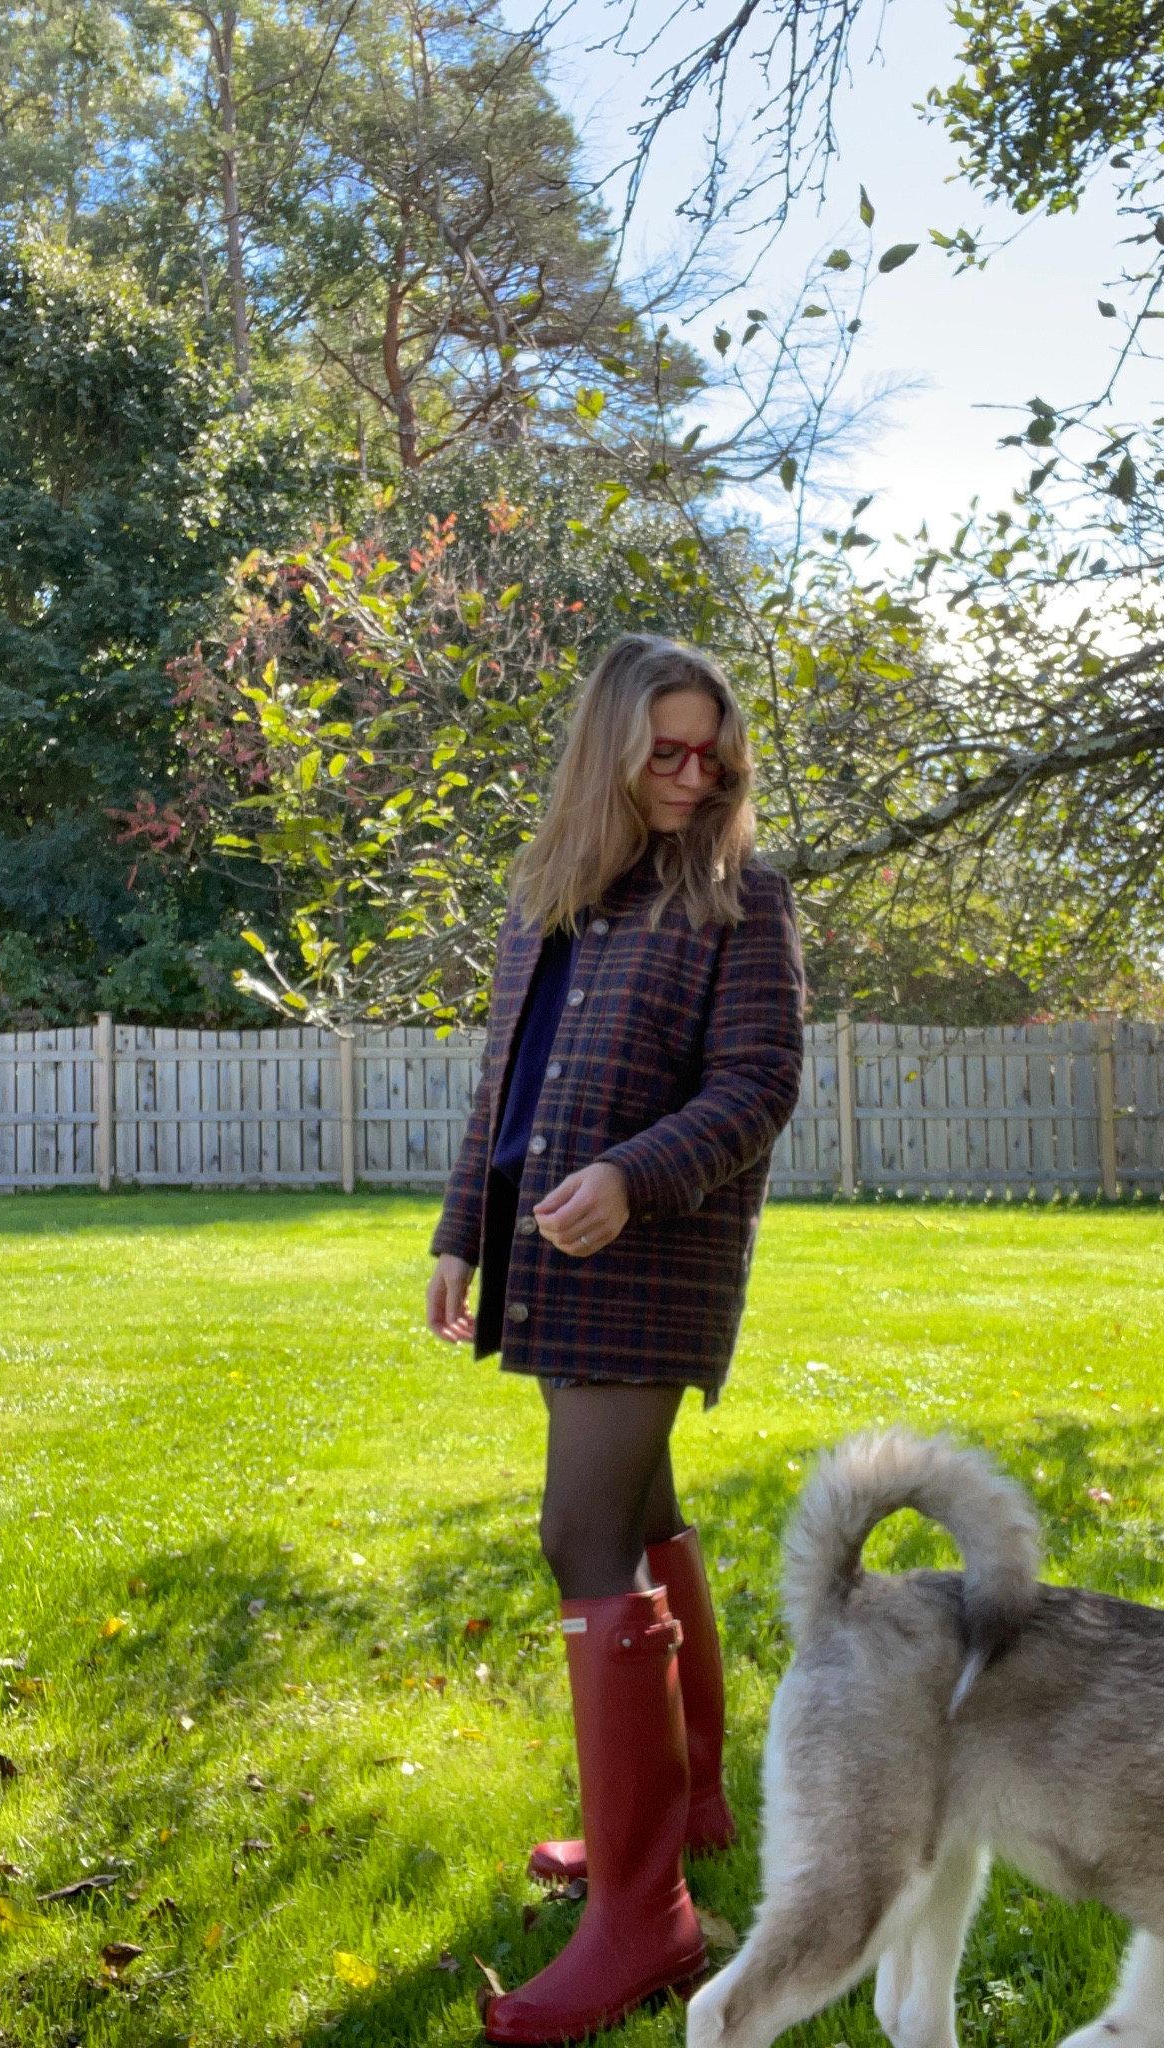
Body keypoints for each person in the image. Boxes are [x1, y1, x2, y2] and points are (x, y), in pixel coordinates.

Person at [426, 633, 805, 2045]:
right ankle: (686, 1806)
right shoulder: (551, 902)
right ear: (608, 748)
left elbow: (761, 1085)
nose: (693, 775)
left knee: (579, 1532)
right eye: (667, 750)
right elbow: (501, 1096)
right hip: (548, 1250)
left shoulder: (742, 902)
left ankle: (647, 1918)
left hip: (658, 1256)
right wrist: (462, 1228)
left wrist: (636, 1175)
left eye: (714, 753)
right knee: (640, 1516)